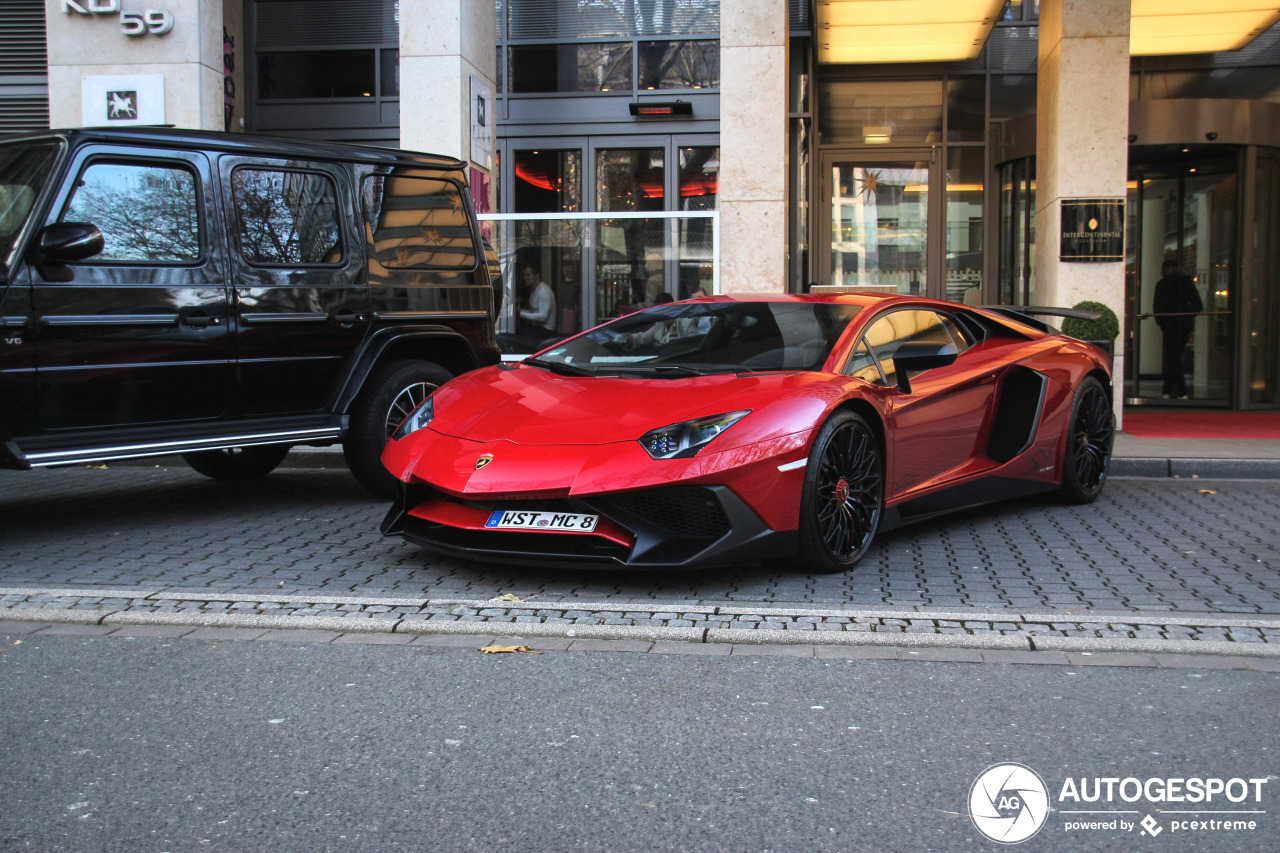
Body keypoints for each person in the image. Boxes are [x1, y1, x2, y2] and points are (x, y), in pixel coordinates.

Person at [1152, 259, 1202, 399]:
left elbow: (1157, 307)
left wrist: (1162, 322)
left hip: (1169, 327)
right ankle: (1171, 390)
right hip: (1183, 326)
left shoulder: (1162, 285)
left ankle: (1176, 390)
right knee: (1173, 357)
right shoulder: (1187, 284)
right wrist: (1188, 318)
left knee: (1172, 357)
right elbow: (1198, 306)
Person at [517, 263, 557, 341]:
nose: (525, 278)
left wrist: (521, 314)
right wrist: (521, 311)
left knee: (521, 336)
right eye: (524, 275)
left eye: (528, 275)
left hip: (546, 330)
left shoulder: (543, 292)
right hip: (537, 327)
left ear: (537, 276)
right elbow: (534, 311)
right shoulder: (534, 290)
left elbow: (543, 317)